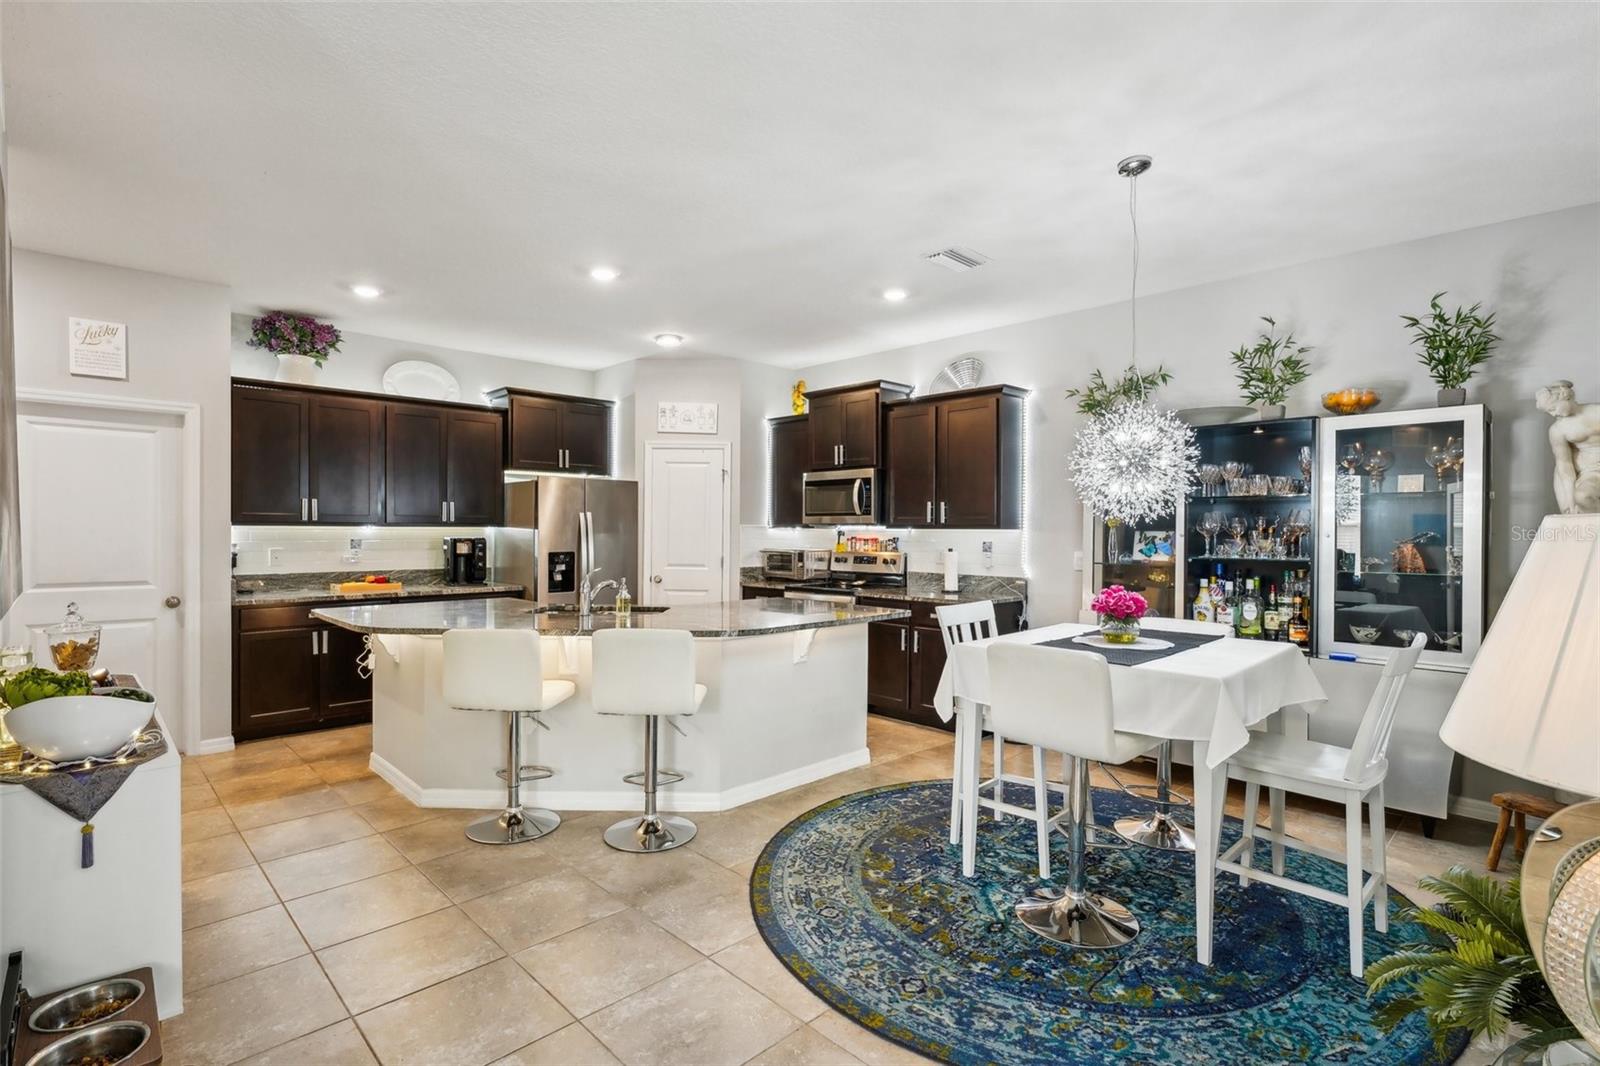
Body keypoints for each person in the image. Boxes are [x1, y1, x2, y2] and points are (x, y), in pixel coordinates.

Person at [1536, 380, 1600, 514]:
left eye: (1553, 408)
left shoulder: (1596, 411)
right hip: (1591, 473)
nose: (1553, 414)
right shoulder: (1558, 430)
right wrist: (1571, 503)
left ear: (1564, 396)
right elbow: (1564, 466)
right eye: (1549, 412)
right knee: (1582, 497)